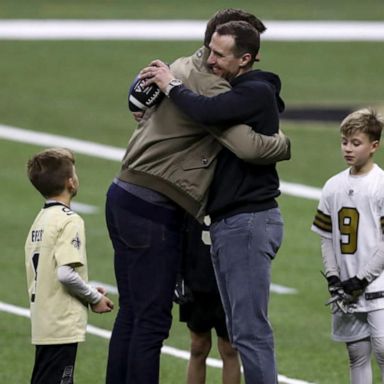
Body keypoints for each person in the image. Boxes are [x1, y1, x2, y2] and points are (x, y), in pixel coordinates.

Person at [105, 9, 290, 384]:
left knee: (132, 313)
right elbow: (248, 146)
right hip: (154, 203)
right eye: (216, 51)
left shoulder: (179, 65)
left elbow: (136, 105)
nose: (214, 59)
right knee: (153, 322)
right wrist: (282, 144)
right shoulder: (209, 85)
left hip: (124, 194)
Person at [25, 148, 114, 384]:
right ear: (71, 182)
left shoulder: (40, 220)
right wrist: (93, 298)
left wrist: (89, 290)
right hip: (61, 324)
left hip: (44, 321)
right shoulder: (69, 220)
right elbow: (64, 273)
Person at [311, 108, 384, 384]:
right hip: (347, 288)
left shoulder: (381, 185)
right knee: (356, 354)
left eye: (356, 143)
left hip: (377, 284)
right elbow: (326, 236)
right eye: (344, 142)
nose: (348, 149)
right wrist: (332, 275)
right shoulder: (333, 186)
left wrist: (363, 278)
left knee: (383, 351)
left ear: (374, 146)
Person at [175, 215, 240, 384]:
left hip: (229, 280)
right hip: (196, 277)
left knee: (230, 349)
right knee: (198, 346)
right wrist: (178, 274)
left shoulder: (233, 193)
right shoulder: (193, 192)